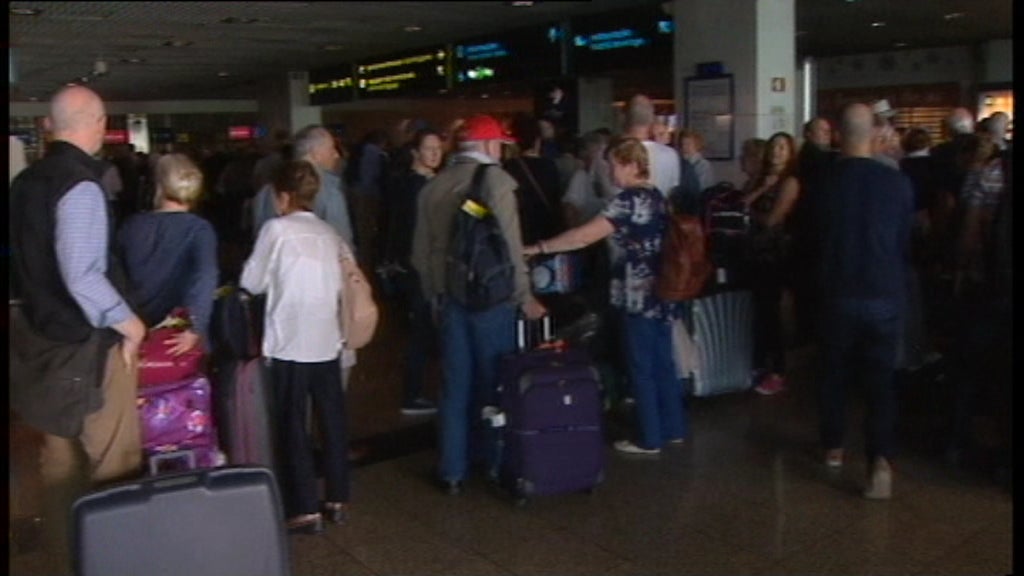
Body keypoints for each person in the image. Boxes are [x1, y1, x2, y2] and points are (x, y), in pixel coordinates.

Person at [9, 85, 147, 571]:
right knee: (115, 460)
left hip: (39, 341)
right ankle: (116, 563)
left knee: (58, 466)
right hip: (88, 347)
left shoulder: (25, 183)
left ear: (49, 126)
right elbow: (83, 275)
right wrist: (131, 325)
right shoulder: (81, 185)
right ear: (99, 124)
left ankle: (67, 563)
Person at [411, 114, 546, 495]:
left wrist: (436, 296)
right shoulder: (496, 182)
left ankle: (452, 470)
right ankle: (494, 461)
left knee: (455, 387)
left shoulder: (432, 187)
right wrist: (525, 296)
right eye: (499, 145)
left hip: (450, 299)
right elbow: (509, 247)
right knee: (493, 382)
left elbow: (419, 255)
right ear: (488, 146)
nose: (501, 152)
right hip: (493, 300)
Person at [525, 136, 684, 455]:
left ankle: (649, 438)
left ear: (631, 165)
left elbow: (584, 236)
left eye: (613, 165)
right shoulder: (656, 196)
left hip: (636, 295)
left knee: (640, 367)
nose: (609, 172)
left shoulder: (627, 201)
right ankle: (673, 427)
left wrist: (540, 247)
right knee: (663, 364)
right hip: (663, 292)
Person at [240, 160, 354, 534]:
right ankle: (338, 496)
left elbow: (252, 282)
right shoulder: (328, 232)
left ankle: (305, 507)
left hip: (289, 342)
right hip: (327, 340)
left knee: (293, 424)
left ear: (283, 195)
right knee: (332, 420)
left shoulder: (276, 230)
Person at [816, 102, 913, 500]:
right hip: (884, 290)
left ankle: (834, 446)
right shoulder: (896, 182)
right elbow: (904, 239)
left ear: (838, 135)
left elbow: (812, 241)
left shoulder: (823, 182)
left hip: (837, 291)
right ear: (874, 134)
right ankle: (880, 461)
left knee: (834, 372)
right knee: (880, 381)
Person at [118, 153, 219, 354]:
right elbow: (205, 276)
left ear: (158, 186)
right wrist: (195, 325)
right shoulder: (199, 229)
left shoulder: (131, 225)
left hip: (133, 325)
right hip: (176, 329)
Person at [383, 128, 445, 416]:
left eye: (438, 148)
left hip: (411, 267)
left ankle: (417, 391)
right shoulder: (419, 187)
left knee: (422, 331)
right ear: (415, 153)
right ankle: (413, 394)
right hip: (419, 269)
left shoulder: (409, 183)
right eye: (429, 148)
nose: (435, 154)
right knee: (421, 332)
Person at [742, 132, 800, 396]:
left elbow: (772, 219)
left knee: (770, 314)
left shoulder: (789, 182)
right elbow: (742, 203)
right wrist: (761, 187)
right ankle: (758, 364)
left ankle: (777, 370)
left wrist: (762, 194)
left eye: (782, 148)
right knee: (757, 312)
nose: (776, 152)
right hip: (752, 251)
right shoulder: (759, 178)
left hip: (773, 254)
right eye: (774, 147)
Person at [252, 125, 355, 248]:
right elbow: (342, 242)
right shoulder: (329, 191)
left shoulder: (266, 191)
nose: (336, 155)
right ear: (316, 153)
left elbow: (259, 239)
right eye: (332, 148)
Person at [503, 114, 566, 246]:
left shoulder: (507, 167)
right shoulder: (549, 166)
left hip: (517, 231)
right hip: (546, 231)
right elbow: (556, 199)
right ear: (538, 140)